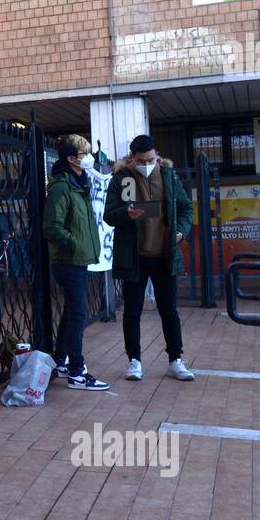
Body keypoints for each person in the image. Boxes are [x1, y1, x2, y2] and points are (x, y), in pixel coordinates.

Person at [103, 134, 196, 382]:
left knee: (170, 310)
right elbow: (109, 215)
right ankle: (134, 361)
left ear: (157, 155)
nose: (147, 164)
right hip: (134, 257)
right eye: (142, 160)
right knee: (132, 311)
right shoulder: (123, 178)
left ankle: (175, 360)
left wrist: (181, 231)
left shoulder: (168, 175)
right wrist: (127, 212)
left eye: (151, 159)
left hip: (164, 254)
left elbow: (186, 208)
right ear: (132, 158)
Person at [43, 137, 109, 391]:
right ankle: (77, 372)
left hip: (77, 260)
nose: (89, 157)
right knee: (78, 313)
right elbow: (52, 227)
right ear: (72, 159)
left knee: (72, 311)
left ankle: (61, 361)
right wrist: (75, 245)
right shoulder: (62, 187)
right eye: (85, 153)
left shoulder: (78, 183)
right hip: (68, 261)